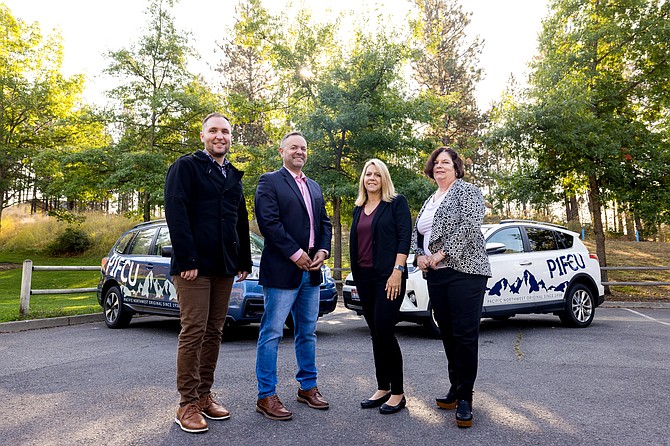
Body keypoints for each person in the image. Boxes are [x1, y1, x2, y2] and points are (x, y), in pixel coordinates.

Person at [164, 112, 252, 433]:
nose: (220, 136)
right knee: (194, 331)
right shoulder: (185, 167)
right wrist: (187, 259)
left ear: (231, 138)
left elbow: (240, 220)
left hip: (225, 266)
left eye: (225, 132)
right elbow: (176, 210)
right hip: (194, 268)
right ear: (202, 136)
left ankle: (203, 395)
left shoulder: (232, 175)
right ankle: (186, 403)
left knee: (214, 331)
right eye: (213, 131)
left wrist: (243, 260)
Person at [254, 131, 333, 421]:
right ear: (282, 151)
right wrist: (295, 253)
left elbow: (325, 222)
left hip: (312, 271)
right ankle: (266, 395)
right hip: (283, 270)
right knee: (272, 332)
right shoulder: (270, 181)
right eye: (294, 148)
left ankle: (307, 388)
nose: (299, 152)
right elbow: (269, 223)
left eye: (303, 148)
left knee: (307, 333)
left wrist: (323, 252)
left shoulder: (314, 186)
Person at [411, 146, 491, 429]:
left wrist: (440, 254)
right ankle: (456, 387)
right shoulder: (430, 199)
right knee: (447, 333)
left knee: (465, 334)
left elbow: (469, 227)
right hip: (436, 275)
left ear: (457, 168)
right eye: (436, 162)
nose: (439, 166)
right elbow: (417, 232)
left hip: (465, 272)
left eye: (446, 162)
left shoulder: (467, 191)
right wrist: (419, 255)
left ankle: (466, 397)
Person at [349, 159, 412, 414]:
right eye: (367, 174)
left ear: (383, 178)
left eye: (376, 174)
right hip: (365, 278)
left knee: (385, 331)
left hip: (389, 278)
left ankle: (398, 392)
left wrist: (397, 271)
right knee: (375, 332)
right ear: (363, 179)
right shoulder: (358, 207)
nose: (371, 178)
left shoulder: (396, 203)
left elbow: (404, 237)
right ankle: (382, 387)